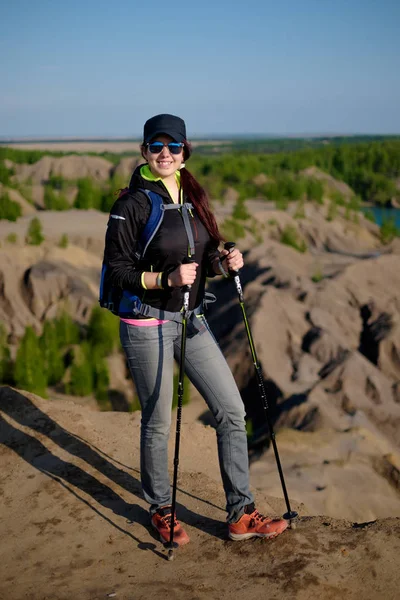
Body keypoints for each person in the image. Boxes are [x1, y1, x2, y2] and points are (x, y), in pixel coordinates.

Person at [103, 113, 288, 545]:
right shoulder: (130, 204)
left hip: (191, 320)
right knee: (159, 420)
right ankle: (160, 508)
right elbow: (117, 270)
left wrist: (223, 263)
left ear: (185, 152)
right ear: (144, 151)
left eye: (173, 146)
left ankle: (241, 515)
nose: (164, 154)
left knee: (232, 411)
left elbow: (201, 261)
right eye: (156, 146)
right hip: (146, 322)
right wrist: (163, 281)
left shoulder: (193, 198)